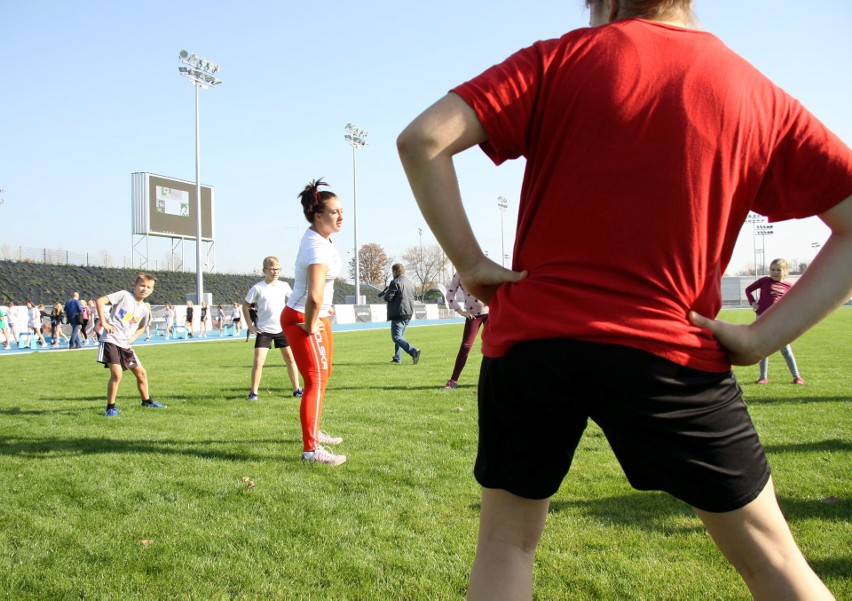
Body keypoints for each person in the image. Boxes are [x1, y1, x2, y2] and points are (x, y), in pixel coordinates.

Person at [396, 0, 852, 598]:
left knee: (507, 545)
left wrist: (472, 265)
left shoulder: (558, 59)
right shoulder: (754, 91)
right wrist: (763, 338)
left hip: (534, 344)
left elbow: (423, 139)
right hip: (668, 350)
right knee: (774, 563)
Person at [281, 179, 347, 466]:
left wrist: (322, 312)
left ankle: (315, 430)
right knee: (315, 380)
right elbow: (315, 295)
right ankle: (311, 450)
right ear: (318, 215)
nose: (341, 217)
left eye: (341, 211)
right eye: (335, 212)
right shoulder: (316, 248)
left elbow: (321, 297)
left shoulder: (322, 239)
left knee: (324, 374)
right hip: (303, 317)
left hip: (316, 315)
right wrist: (309, 324)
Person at [96, 273, 166, 416]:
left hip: (125, 344)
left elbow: (142, 327)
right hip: (111, 339)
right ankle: (110, 407)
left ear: (151, 290)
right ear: (134, 286)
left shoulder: (145, 310)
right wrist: (103, 322)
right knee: (117, 374)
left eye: (148, 287)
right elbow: (100, 301)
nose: (144, 289)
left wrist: (132, 338)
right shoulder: (124, 295)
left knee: (141, 373)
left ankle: (146, 401)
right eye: (142, 285)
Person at [243, 256, 303, 401]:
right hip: (264, 330)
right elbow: (245, 305)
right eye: (272, 269)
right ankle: (254, 392)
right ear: (264, 270)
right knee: (258, 362)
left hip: (282, 329)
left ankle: (297, 389)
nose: (275, 272)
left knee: (290, 359)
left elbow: (295, 302)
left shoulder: (284, 286)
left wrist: (297, 321)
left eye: (278, 269)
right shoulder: (258, 288)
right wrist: (250, 325)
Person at [745, 259, 805, 385]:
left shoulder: (789, 286)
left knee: (785, 349)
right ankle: (763, 377)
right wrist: (753, 302)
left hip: (779, 322)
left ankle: (797, 377)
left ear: (785, 271)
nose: (775, 272)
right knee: (764, 349)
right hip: (762, 319)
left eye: (779, 269)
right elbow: (748, 290)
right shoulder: (764, 281)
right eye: (773, 269)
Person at [443, 271, 488, 389]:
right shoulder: (459, 274)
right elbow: (449, 295)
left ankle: (498, 379)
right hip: (473, 315)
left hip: (490, 313)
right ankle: (453, 380)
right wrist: (461, 312)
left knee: (494, 345)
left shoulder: (483, 268)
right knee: (466, 346)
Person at [378, 263, 421, 364]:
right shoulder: (410, 283)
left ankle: (413, 351)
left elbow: (388, 297)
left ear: (395, 272)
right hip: (408, 312)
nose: (392, 274)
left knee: (396, 337)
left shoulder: (395, 282)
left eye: (393, 272)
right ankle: (397, 358)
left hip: (398, 313)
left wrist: (387, 292)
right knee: (400, 336)